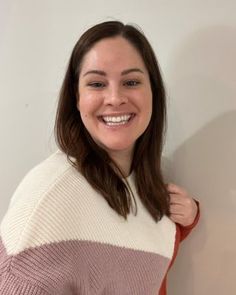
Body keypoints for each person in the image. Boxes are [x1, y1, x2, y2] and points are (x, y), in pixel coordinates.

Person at [0, 21, 199, 294]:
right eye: (96, 83)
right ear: (76, 97)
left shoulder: (147, 173)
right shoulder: (47, 199)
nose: (115, 98)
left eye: (131, 82)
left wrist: (188, 219)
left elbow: (134, 253)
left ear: (153, 91)